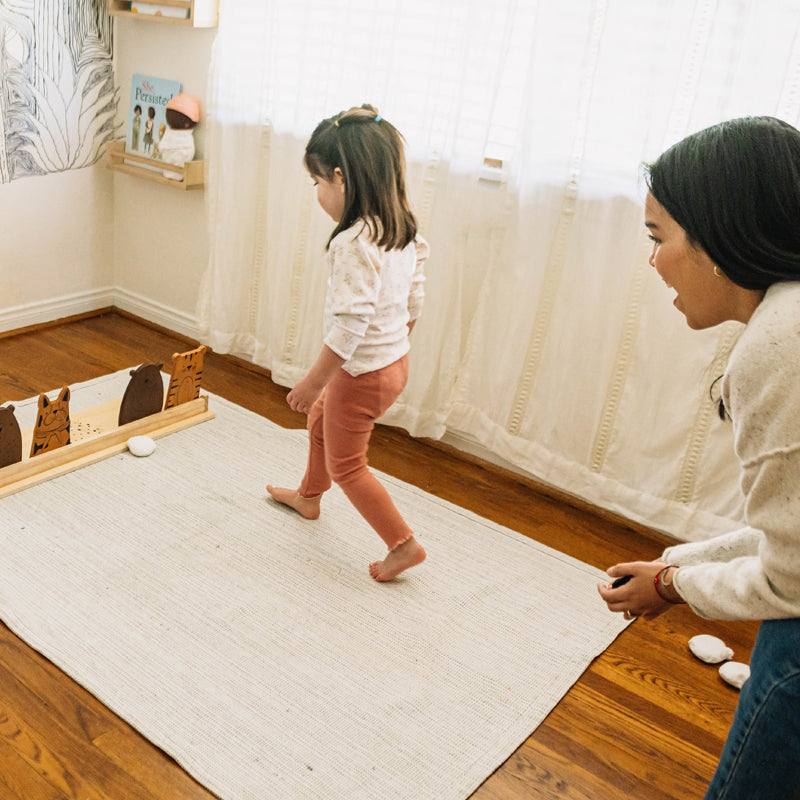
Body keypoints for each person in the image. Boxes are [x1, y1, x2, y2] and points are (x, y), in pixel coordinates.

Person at [597, 116, 800, 800]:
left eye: (659, 238)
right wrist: (675, 568)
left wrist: (672, 585)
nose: (652, 261)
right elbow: (791, 535)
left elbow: (791, 581)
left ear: (718, 236)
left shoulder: (780, 346)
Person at [267, 104, 429, 582]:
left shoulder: (354, 243)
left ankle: (403, 544)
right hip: (391, 364)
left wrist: (313, 382)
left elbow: (350, 324)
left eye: (316, 182)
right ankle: (309, 497)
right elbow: (414, 300)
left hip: (362, 373)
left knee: (348, 464)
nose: (317, 192)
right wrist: (393, 349)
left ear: (340, 177)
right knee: (322, 423)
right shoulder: (402, 229)